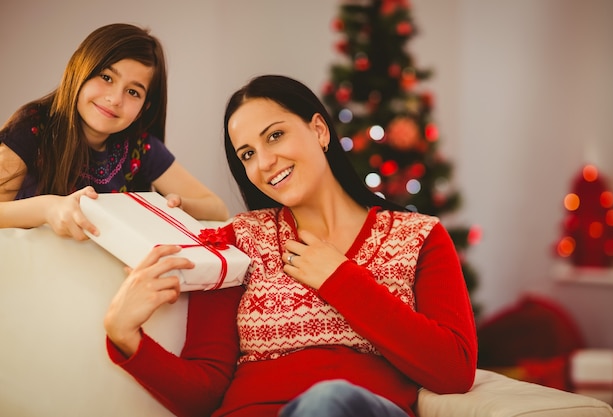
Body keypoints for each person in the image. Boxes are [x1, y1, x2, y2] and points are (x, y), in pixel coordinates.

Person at [103, 75, 478, 417]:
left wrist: (341, 280)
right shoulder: (238, 241)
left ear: (319, 130)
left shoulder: (419, 237)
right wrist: (126, 337)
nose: (264, 162)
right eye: (247, 154)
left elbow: (454, 370)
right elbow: (206, 394)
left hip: (349, 411)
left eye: (275, 135)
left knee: (326, 402)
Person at [0, 23, 229, 240]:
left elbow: (217, 208)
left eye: (133, 92)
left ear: (143, 109)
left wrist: (175, 206)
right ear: (79, 71)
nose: (115, 99)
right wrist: (46, 208)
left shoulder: (141, 147)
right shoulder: (33, 126)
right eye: (107, 77)